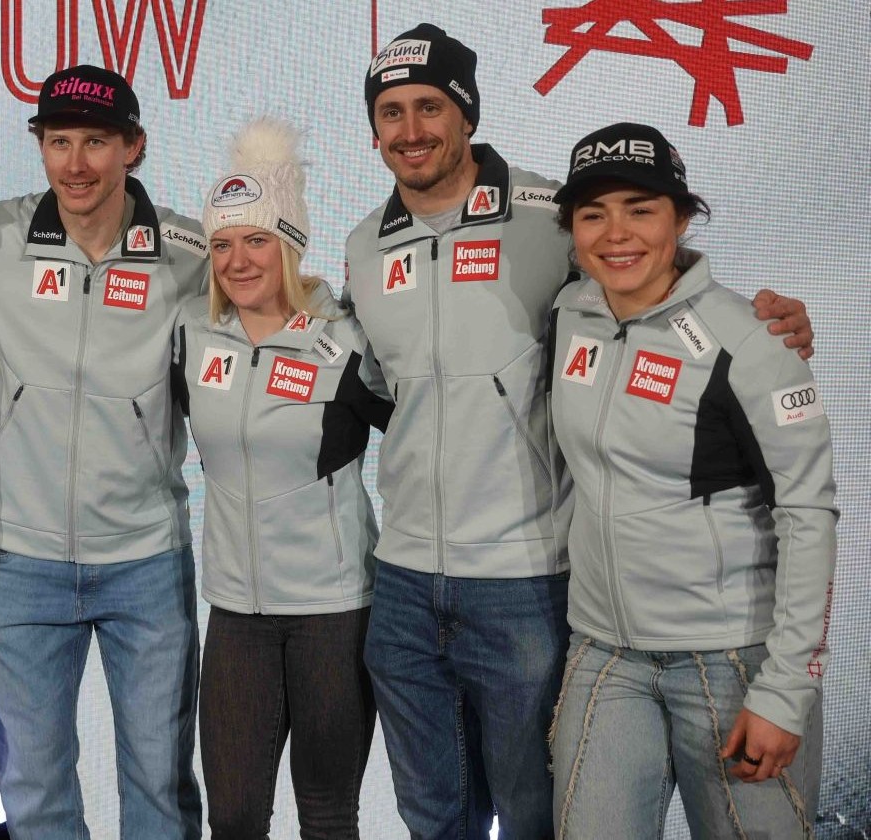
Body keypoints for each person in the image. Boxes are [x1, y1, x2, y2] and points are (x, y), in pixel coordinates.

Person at [343, 25, 815, 838]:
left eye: (430, 106)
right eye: (391, 112)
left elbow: (651, 286)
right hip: (405, 581)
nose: (411, 129)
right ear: (375, 127)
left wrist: (770, 329)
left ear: (466, 112)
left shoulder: (546, 218)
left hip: (528, 577)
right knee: (429, 813)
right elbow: (375, 381)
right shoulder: (361, 245)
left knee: (536, 814)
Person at [545, 122, 835, 838]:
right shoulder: (567, 315)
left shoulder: (751, 342)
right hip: (604, 656)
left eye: (640, 209)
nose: (617, 233)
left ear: (681, 217)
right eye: (592, 214)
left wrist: (785, 688)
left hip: (731, 662)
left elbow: (810, 513)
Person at [0, 64, 208, 839]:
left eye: (97, 142)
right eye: (58, 141)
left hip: (145, 560)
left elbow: (274, 311)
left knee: (160, 788)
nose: (75, 163)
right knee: (34, 793)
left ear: (134, 146)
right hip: (22, 561)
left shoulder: (187, 253)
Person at [175, 118, 391, 839]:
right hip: (236, 617)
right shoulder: (193, 340)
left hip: (334, 614)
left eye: (257, 239)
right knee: (234, 818)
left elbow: (438, 431)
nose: (238, 260)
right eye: (223, 244)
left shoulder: (348, 344)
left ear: (291, 246)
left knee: (329, 817)